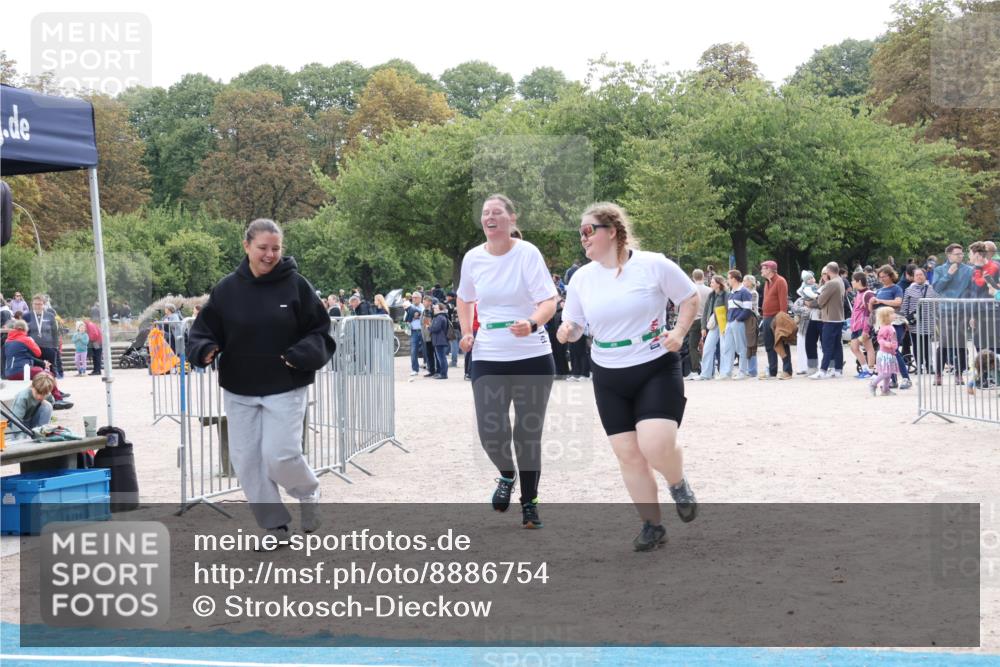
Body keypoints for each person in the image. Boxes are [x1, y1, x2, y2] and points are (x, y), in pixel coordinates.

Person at [558, 202, 699, 552]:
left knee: (654, 445)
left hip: (654, 363)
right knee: (628, 455)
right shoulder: (581, 279)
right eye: (580, 233)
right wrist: (568, 330)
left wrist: (680, 332)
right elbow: (575, 325)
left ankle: (677, 482)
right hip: (607, 371)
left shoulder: (653, 265)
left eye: (589, 230)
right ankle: (652, 525)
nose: (583, 238)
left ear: (613, 231)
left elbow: (690, 298)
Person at [186, 218, 336, 537]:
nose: (270, 255)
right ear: (246, 247)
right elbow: (203, 330)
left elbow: (320, 331)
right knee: (247, 461)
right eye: (263, 248)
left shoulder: (297, 285)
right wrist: (205, 348)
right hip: (239, 387)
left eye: (276, 248)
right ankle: (274, 526)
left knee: (279, 455)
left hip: (285, 385)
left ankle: (308, 492)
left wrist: (301, 354)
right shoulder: (227, 289)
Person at [457, 194, 558, 529]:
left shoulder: (527, 253)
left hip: (532, 354)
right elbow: (464, 297)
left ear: (512, 219)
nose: (490, 217)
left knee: (526, 434)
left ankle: (530, 503)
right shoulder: (473, 258)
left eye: (497, 212)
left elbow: (549, 300)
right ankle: (505, 474)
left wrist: (531, 322)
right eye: (486, 213)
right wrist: (466, 331)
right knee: (491, 430)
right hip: (489, 354)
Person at [2, 320, 72, 408]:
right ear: (25, 330)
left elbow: (23, 355)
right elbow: (38, 353)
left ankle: (53, 396)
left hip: (9, 372)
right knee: (47, 375)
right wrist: (32, 342)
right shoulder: (25, 339)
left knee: (40, 372)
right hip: (21, 371)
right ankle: (57, 399)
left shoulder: (8, 341)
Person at [933, 244, 974, 385]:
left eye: (962, 254)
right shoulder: (939, 270)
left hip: (963, 311)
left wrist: (971, 313)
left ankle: (959, 373)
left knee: (961, 343)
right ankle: (938, 374)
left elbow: (972, 290)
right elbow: (937, 288)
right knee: (944, 342)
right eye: (957, 254)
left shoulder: (969, 270)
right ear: (949, 255)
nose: (960, 256)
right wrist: (948, 275)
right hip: (945, 310)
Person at [869, 265, 912, 390]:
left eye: (884, 276)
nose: (882, 279)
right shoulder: (880, 290)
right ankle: (892, 380)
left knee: (894, 350)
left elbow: (898, 302)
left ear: (891, 276)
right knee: (887, 352)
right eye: (880, 277)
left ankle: (905, 378)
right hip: (882, 323)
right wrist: (872, 303)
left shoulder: (896, 288)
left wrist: (880, 300)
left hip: (896, 322)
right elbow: (873, 310)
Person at [812, 262, 845, 379]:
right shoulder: (840, 281)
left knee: (827, 345)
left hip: (830, 318)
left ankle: (822, 370)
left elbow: (820, 301)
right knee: (837, 345)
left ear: (829, 271)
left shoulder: (831, 283)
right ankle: (838, 370)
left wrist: (815, 296)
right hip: (839, 318)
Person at [760, 260, 793, 379]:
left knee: (781, 344)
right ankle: (772, 370)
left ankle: (787, 370)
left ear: (770, 270)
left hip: (776, 317)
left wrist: (781, 320)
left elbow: (783, 303)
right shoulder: (767, 282)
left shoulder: (780, 281)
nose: (761, 271)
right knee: (769, 345)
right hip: (766, 316)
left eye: (763, 268)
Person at [901, 267, 937, 374]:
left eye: (921, 274)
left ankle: (929, 365)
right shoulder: (909, 290)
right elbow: (905, 307)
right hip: (914, 323)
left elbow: (937, 304)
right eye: (916, 275)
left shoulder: (932, 289)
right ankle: (919, 366)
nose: (919, 277)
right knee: (916, 345)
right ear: (913, 277)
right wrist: (905, 321)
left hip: (928, 321)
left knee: (928, 345)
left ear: (925, 276)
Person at [692, 276, 728, 381]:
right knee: (707, 348)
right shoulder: (711, 295)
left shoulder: (726, 294)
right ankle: (705, 374)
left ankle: (724, 373)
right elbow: (705, 312)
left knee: (723, 348)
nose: (710, 283)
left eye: (712, 282)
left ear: (718, 283)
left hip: (723, 323)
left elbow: (728, 309)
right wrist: (703, 327)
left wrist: (727, 325)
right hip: (712, 325)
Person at [720, 269, 751, 380]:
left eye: (728, 278)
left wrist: (738, 319)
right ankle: (727, 372)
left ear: (733, 279)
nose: (727, 280)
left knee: (741, 348)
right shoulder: (731, 292)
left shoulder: (744, 292)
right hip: (730, 322)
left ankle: (743, 372)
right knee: (728, 348)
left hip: (737, 323)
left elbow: (747, 309)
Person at [848, 272, 877, 378]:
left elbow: (870, 313)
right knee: (853, 347)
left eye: (853, 280)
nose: (851, 282)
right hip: (856, 326)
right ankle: (865, 369)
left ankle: (871, 371)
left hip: (864, 325)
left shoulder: (868, 294)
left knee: (868, 347)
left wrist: (866, 329)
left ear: (859, 281)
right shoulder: (859, 293)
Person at [24, 295, 61, 378]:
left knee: (52, 371)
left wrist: (55, 347)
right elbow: (23, 333)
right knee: (35, 371)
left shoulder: (50, 316)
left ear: (44, 304)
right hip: (32, 348)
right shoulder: (26, 316)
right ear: (32, 304)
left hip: (48, 347)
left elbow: (55, 332)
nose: (38, 306)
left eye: (40, 304)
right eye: (35, 304)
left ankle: (53, 390)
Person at [686, 269, 712, 378]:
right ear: (703, 276)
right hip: (708, 320)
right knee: (709, 345)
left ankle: (695, 369)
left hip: (694, 320)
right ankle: (710, 368)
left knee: (693, 346)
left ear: (693, 277)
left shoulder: (690, 289)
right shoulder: (710, 290)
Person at [870, 307, 900, 397]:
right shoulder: (886, 328)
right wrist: (889, 344)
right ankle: (873, 384)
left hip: (890, 353)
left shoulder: (890, 327)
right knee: (886, 372)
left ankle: (885, 390)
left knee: (889, 372)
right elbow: (880, 339)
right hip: (885, 354)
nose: (894, 315)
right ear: (886, 317)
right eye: (892, 314)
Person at [404, 292, 423, 376]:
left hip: (423, 331)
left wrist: (418, 316)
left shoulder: (423, 307)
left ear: (420, 298)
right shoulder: (409, 307)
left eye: (416, 297)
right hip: (414, 331)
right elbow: (404, 318)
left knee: (427, 350)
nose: (414, 299)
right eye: (413, 297)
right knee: (413, 351)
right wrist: (412, 316)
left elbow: (426, 317)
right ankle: (415, 369)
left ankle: (431, 367)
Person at [429, 303, 451, 379]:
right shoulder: (441, 316)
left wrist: (429, 327)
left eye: (435, 308)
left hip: (439, 340)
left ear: (440, 309)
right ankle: (442, 373)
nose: (434, 309)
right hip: (439, 340)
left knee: (441, 358)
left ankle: (444, 374)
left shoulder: (440, 317)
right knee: (441, 358)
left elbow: (436, 328)